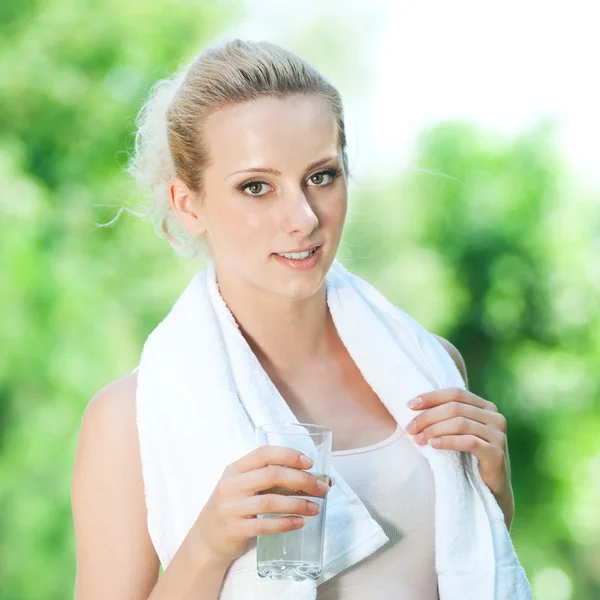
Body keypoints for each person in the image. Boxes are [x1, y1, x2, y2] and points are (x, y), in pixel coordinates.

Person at [71, 39, 516, 599]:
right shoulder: (125, 420)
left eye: (322, 176)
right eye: (256, 187)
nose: (302, 218)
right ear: (189, 204)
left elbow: (470, 563)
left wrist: (495, 488)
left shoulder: (429, 366)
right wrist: (209, 544)